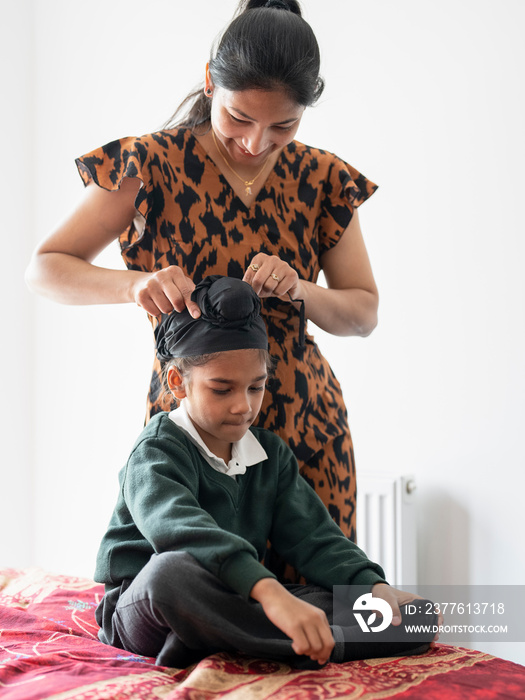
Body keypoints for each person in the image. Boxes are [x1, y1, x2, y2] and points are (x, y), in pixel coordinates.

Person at [25, 0, 379, 549]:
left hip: (307, 427)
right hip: (194, 432)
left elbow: (362, 314)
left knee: (322, 612)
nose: (257, 143)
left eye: (283, 125)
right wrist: (134, 286)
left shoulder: (323, 178)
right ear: (210, 82)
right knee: (202, 600)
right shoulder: (148, 165)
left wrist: (299, 287)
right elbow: (44, 270)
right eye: (240, 119)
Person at [95, 276, 436, 669]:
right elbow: (181, 532)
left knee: (413, 616)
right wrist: (272, 595)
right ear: (178, 383)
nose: (243, 406)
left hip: (235, 600)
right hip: (148, 605)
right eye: (222, 390)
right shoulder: (155, 450)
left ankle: (212, 639)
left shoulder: (271, 454)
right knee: (169, 573)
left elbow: (316, 539)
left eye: (255, 387)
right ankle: (305, 643)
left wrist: (371, 585)